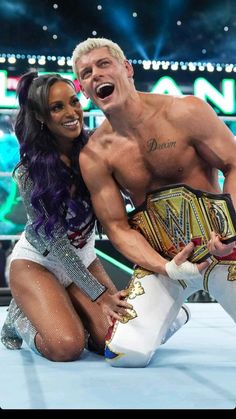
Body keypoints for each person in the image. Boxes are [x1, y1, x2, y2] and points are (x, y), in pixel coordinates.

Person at [72, 37, 236, 367]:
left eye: (104, 64)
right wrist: (166, 267)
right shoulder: (94, 155)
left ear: (126, 69)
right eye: (86, 72)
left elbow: (233, 163)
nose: (96, 75)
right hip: (162, 261)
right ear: (84, 90)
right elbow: (117, 227)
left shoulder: (185, 111)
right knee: (123, 354)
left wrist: (230, 232)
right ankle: (174, 315)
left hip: (224, 251)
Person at [0, 71, 132, 361]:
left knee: (115, 342)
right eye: (57, 107)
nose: (72, 113)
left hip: (83, 260)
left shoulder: (95, 152)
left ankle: (66, 305)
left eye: (73, 102)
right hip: (38, 263)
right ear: (41, 118)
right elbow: (58, 245)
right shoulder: (28, 172)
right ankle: (19, 320)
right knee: (66, 346)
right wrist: (98, 295)